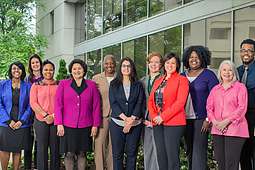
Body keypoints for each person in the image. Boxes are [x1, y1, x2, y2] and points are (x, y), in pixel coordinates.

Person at [54, 59, 101, 170]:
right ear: (71, 71)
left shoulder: (92, 85)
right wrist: (59, 124)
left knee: (82, 153)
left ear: (84, 70)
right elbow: (58, 105)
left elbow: (96, 106)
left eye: (79, 68)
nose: (77, 71)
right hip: (68, 125)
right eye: (74, 69)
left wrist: (95, 125)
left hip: (85, 125)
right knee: (69, 153)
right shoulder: (63, 84)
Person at [148, 53, 189, 170]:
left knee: (172, 156)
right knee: (161, 155)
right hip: (157, 123)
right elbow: (151, 100)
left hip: (174, 123)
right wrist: (154, 117)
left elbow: (180, 102)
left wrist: (163, 117)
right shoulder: (159, 80)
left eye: (173, 63)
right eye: (167, 62)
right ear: (164, 64)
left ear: (177, 65)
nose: (170, 65)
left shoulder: (182, 80)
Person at [180, 45, 219, 170]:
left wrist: (208, 119)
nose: (194, 60)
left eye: (197, 57)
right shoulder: (181, 76)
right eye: (191, 57)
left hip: (201, 119)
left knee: (199, 151)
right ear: (187, 59)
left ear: (203, 59)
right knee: (189, 150)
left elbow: (215, 99)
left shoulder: (209, 75)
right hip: (184, 119)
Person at [207, 60, 249, 170]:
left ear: (234, 72)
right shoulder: (215, 89)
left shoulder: (240, 88)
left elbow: (242, 108)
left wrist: (225, 122)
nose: (227, 72)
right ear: (220, 72)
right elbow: (209, 107)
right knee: (221, 164)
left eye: (230, 70)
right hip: (218, 130)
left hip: (236, 130)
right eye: (224, 70)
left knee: (231, 164)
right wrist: (216, 123)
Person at [109, 57, 144, 170]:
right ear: (120, 68)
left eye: (128, 66)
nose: (126, 68)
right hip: (117, 123)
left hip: (134, 125)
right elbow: (113, 104)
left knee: (132, 155)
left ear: (132, 68)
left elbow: (140, 103)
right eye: (124, 65)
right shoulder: (114, 84)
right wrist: (126, 119)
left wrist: (131, 121)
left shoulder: (138, 85)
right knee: (117, 155)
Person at [0, 61, 33, 170]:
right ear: (10, 71)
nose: (16, 71)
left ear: (22, 71)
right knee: (5, 149)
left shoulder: (28, 86)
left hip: (21, 123)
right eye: (14, 68)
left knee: (17, 149)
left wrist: (21, 121)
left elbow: (30, 105)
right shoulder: (2, 85)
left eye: (19, 68)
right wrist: (8, 121)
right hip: (5, 123)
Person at [30, 60, 60, 170]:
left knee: (55, 148)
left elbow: (62, 103)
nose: (48, 72)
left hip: (55, 120)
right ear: (42, 71)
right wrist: (45, 115)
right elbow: (33, 103)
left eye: (51, 69)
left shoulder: (59, 85)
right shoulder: (35, 86)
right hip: (40, 120)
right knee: (41, 148)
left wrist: (53, 116)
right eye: (46, 69)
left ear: (54, 71)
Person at [92, 55, 116, 170]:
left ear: (115, 64)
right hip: (101, 116)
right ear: (103, 65)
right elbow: (92, 99)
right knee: (99, 146)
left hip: (117, 116)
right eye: (106, 63)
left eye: (111, 63)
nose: (109, 66)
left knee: (113, 147)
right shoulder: (96, 78)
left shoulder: (120, 77)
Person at [140, 52, 163, 170]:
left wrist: (159, 119)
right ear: (148, 64)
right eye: (151, 62)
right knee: (148, 150)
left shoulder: (165, 80)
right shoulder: (142, 81)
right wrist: (143, 119)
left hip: (160, 120)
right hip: (145, 119)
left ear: (161, 64)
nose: (153, 64)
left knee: (159, 150)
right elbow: (139, 101)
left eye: (156, 62)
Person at [238, 39, 255, 170]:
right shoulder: (236, 71)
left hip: (253, 117)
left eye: (249, 50)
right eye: (244, 50)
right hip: (239, 120)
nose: (246, 53)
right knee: (243, 155)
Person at [24, 54, 43, 170]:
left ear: (40, 63)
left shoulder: (45, 76)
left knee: (38, 139)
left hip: (40, 112)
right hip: (28, 112)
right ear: (30, 65)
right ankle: (27, 166)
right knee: (28, 139)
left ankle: (37, 165)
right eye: (33, 63)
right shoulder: (27, 79)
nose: (35, 64)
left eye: (37, 62)